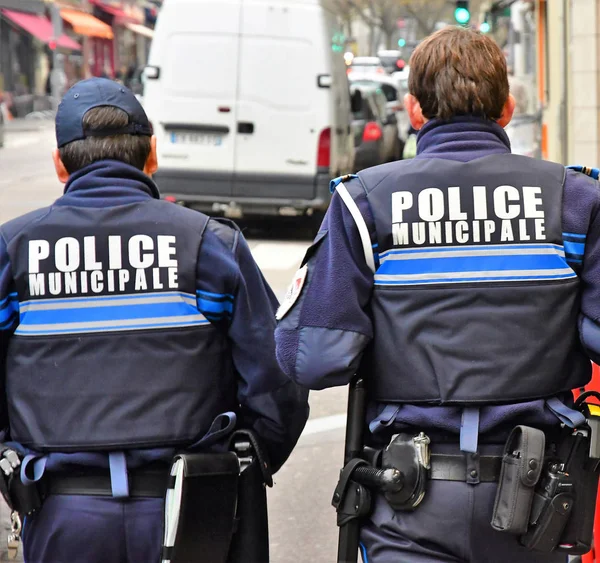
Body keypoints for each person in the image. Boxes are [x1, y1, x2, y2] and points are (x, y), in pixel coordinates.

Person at [275, 26, 600, 563]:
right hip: (538, 503)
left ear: (414, 110)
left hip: (409, 504)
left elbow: (314, 359)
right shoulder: (576, 199)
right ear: (507, 109)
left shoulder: (364, 203)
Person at [0, 77, 309, 563]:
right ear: (153, 156)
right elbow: (279, 381)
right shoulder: (207, 244)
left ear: (60, 164)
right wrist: (242, 463)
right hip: (189, 515)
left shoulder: (13, 251)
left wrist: (12, 464)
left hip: (62, 514)